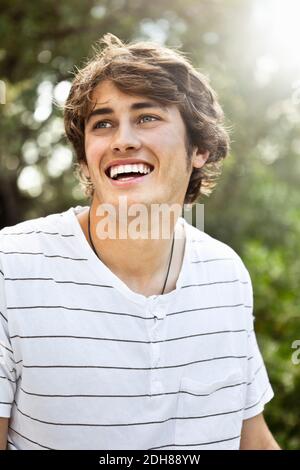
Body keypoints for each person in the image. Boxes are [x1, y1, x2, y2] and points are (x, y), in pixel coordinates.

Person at [0, 33, 280, 450]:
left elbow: (251, 438)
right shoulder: (12, 267)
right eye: (103, 123)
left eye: (147, 117)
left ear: (199, 148)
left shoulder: (227, 274)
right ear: (85, 156)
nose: (122, 140)